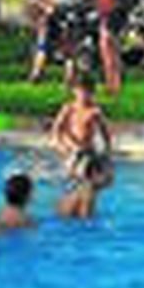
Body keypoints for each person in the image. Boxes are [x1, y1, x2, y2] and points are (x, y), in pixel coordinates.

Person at [50, 76, 115, 219]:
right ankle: (69, 209)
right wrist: (63, 144)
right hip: (72, 151)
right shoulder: (69, 109)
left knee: (91, 184)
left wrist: (108, 155)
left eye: (87, 92)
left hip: (88, 152)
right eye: (81, 91)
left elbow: (106, 135)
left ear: (92, 93)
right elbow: (56, 131)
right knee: (72, 184)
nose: (84, 96)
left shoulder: (94, 111)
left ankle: (86, 211)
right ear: (74, 91)